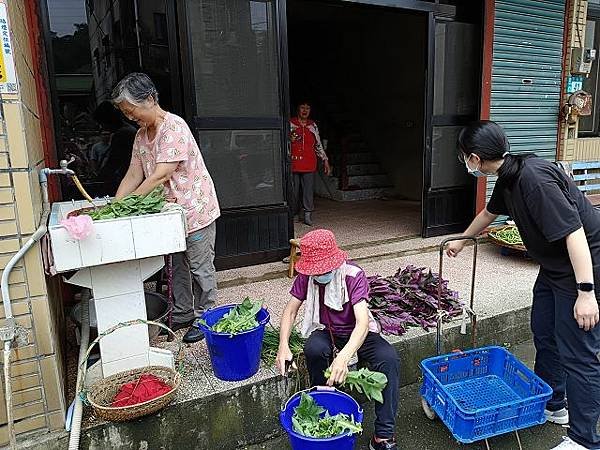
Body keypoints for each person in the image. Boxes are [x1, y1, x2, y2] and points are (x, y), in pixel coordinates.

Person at [449, 120, 600, 450]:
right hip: (554, 266)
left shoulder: (534, 181)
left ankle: (585, 438)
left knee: (579, 350)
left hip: (585, 264)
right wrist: (461, 240)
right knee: (545, 332)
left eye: (464, 157)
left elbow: (575, 235)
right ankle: (553, 403)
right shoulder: (509, 175)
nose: (466, 163)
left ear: (474, 158)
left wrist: (586, 293)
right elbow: (489, 214)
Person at [111, 73, 221, 344]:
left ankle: (207, 315)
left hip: (195, 211)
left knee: (199, 268)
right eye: (126, 113)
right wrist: (115, 205)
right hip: (168, 217)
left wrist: (131, 203)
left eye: (132, 110)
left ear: (149, 99)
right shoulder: (140, 135)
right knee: (177, 269)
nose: (130, 117)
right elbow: (133, 173)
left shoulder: (174, 127)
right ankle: (183, 313)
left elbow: (160, 175)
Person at [276, 229, 400, 450]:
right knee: (313, 348)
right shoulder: (307, 276)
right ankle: (322, 408)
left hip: (358, 333)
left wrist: (343, 357)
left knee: (388, 358)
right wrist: (283, 345)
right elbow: (290, 310)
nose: (320, 274)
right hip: (327, 331)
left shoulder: (353, 275)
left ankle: (383, 434)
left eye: (323, 269)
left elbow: (362, 323)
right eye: (316, 270)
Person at [290, 101, 331, 226]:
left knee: (308, 190)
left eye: (308, 108)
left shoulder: (312, 125)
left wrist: (325, 160)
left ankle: (307, 214)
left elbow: (318, 144)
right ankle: (294, 213)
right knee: (293, 190)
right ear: (298, 109)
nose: (305, 110)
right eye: (302, 107)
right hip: (293, 163)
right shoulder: (290, 124)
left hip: (309, 163)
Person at [92, 100, 137, 196]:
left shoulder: (123, 133)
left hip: (127, 177)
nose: (102, 127)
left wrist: (99, 180)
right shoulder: (126, 130)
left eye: (102, 123)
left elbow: (113, 163)